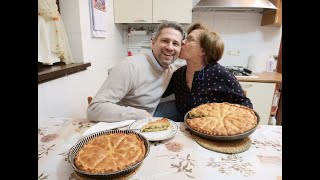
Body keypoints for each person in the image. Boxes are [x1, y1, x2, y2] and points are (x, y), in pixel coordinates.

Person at [86, 21, 185, 122]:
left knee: (188, 107)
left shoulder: (171, 69)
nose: (170, 47)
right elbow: (94, 109)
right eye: (165, 40)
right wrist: (140, 115)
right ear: (153, 43)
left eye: (175, 43)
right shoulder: (130, 66)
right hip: (128, 123)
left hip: (152, 113)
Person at [160, 22, 253, 122]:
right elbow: (159, 93)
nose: (182, 42)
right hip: (184, 127)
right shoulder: (178, 75)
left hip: (212, 130)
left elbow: (245, 106)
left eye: (190, 39)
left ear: (203, 51)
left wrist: (227, 125)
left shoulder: (220, 74)